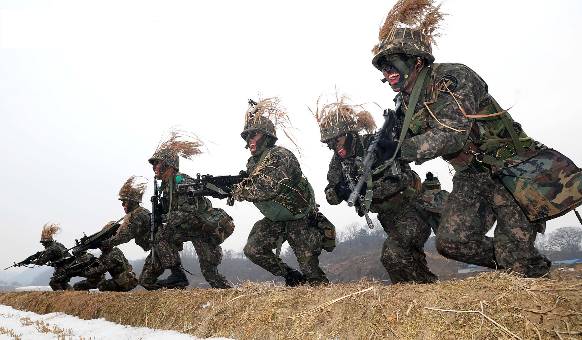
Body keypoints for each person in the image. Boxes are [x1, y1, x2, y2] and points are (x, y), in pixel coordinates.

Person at [370, 0, 582, 277]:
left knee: (512, 254)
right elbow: (396, 144)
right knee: (452, 242)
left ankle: (524, 266)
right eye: (382, 68)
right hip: (471, 176)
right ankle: (519, 263)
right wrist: (375, 155)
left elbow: (452, 135)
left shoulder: (453, 77)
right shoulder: (404, 105)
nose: (387, 72)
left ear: (416, 59)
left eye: (392, 63)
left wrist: (399, 149)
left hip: (511, 169)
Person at [316, 98, 447, 283]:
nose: (334, 147)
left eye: (336, 140)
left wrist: (367, 192)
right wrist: (338, 191)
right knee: (409, 261)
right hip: (387, 216)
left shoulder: (374, 145)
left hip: (412, 207)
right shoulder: (338, 162)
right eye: (329, 143)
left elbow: (401, 179)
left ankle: (414, 292)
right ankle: (422, 293)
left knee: (392, 255)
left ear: (349, 134)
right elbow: (330, 193)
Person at [233, 98, 335, 286]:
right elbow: (250, 187)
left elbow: (267, 188)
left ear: (266, 136)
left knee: (310, 270)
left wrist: (239, 190)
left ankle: (320, 289)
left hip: (300, 218)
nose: (249, 141)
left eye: (253, 135)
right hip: (277, 220)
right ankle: (290, 276)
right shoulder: (252, 164)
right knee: (253, 249)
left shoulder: (280, 155)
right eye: (247, 137)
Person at [148, 130, 235, 289]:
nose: (154, 167)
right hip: (189, 229)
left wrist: (164, 218)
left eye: (157, 163)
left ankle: (232, 296)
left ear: (168, 164)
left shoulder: (181, 181)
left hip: (202, 229)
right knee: (160, 237)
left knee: (210, 273)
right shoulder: (165, 187)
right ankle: (177, 275)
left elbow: (189, 211)